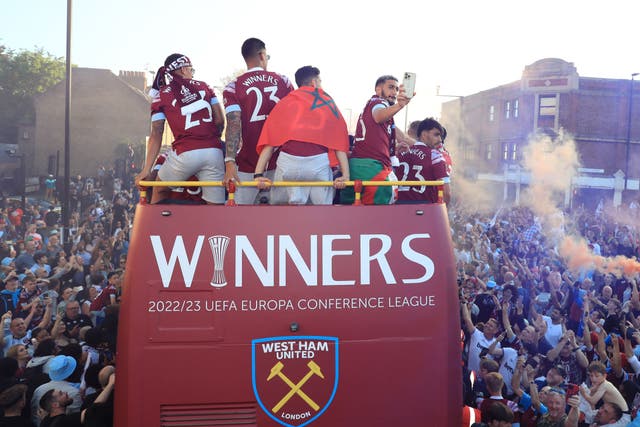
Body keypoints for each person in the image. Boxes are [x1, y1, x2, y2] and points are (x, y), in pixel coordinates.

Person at [135, 53, 225, 204]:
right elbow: (220, 120)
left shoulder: (160, 95)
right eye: (191, 69)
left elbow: (157, 133)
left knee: (159, 188)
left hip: (185, 153)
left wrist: (146, 170)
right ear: (183, 69)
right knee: (215, 208)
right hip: (213, 151)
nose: (192, 73)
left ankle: (158, 226)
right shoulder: (205, 86)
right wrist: (213, 137)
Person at [253, 66, 350, 205]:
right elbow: (338, 141)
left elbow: (270, 141)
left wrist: (258, 175)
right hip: (318, 165)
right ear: (314, 82)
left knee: (282, 213)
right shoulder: (326, 101)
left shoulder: (286, 102)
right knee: (322, 215)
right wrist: (345, 176)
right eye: (320, 81)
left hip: (288, 165)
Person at [222, 37, 294, 204]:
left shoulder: (233, 86)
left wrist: (229, 161)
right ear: (262, 55)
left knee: (240, 217)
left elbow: (234, 123)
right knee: (282, 217)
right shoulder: (283, 81)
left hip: (249, 161)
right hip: (281, 160)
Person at [340, 75, 413, 205]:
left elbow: (400, 136)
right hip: (372, 168)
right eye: (390, 87)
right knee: (380, 211)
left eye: (396, 89)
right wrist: (400, 105)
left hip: (357, 166)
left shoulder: (375, 106)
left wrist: (394, 150)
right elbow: (378, 116)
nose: (395, 92)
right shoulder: (379, 102)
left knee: (350, 212)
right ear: (378, 90)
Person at [396, 118, 451, 204]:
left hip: (398, 208)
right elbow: (446, 193)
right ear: (424, 135)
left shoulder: (400, 153)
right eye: (436, 135)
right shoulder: (435, 155)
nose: (440, 140)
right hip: (424, 210)